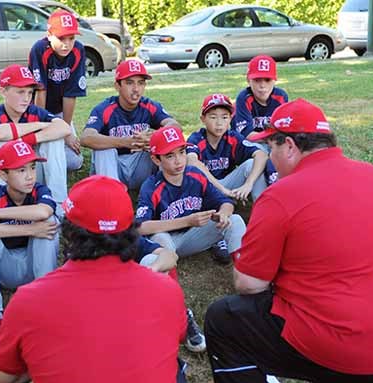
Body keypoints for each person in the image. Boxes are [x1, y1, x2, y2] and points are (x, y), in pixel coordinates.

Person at [205, 99, 373, 383]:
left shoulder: (280, 195)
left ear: (289, 146)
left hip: (346, 350)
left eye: (271, 148)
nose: (270, 158)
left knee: (224, 319)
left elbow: (249, 283)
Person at [0, 175, 188, 383]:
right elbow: (172, 339)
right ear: (131, 231)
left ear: (68, 232)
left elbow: (0, 378)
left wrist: (45, 362)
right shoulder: (167, 290)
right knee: (173, 364)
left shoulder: (29, 300)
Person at [0, 140, 60, 339]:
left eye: (33, 167)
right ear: (3, 175)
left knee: (49, 220)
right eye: (21, 170)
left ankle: (46, 303)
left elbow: (44, 210)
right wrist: (31, 229)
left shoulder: (40, 191)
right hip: (5, 268)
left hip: (35, 266)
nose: (30, 176)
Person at [136, 126, 246, 265]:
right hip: (167, 240)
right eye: (170, 155)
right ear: (157, 160)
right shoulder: (151, 186)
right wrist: (187, 221)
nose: (178, 160)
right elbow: (140, 227)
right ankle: (168, 279)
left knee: (235, 220)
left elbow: (225, 202)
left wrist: (224, 213)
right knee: (161, 238)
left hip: (193, 236)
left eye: (181, 152)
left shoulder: (195, 174)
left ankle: (243, 269)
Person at [80, 59, 181, 189]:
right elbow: (86, 138)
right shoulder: (105, 108)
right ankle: (114, 196)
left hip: (139, 166)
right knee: (103, 150)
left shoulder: (149, 106)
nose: (136, 89)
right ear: (117, 86)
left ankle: (166, 194)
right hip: (112, 168)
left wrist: (155, 137)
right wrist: (125, 142)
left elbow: (175, 126)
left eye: (140, 83)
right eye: (129, 83)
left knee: (163, 144)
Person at [0, 64, 72, 205]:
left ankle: (58, 205)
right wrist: (40, 125)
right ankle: (4, 203)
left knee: (54, 140)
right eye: (20, 92)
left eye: (30, 93)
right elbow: (0, 133)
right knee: (5, 142)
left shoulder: (33, 111)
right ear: (3, 91)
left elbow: (64, 128)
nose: (26, 98)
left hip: (30, 174)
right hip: (2, 178)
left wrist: (32, 138)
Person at [187, 93, 270, 203]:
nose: (219, 122)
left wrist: (248, 184)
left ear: (231, 119)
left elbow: (262, 155)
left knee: (251, 164)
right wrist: (223, 190)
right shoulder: (197, 138)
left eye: (224, 117)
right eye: (213, 117)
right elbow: (191, 161)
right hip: (204, 189)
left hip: (227, 184)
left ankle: (261, 207)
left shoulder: (233, 138)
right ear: (203, 119)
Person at [28, 9, 84, 171]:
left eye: (71, 38)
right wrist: (41, 126)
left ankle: (53, 151)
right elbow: (40, 91)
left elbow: (70, 94)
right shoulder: (39, 49)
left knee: (74, 162)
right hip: (36, 112)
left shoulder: (78, 50)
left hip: (59, 112)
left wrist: (65, 130)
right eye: (61, 38)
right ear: (49, 34)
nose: (67, 44)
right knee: (36, 154)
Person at [232, 55, 288, 138]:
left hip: (273, 141)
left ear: (275, 80)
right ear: (248, 80)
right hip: (249, 143)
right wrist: (272, 139)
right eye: (257, 80)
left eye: (267, 80)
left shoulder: (281, 97)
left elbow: (285, 129)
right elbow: (246, 135)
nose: (262, 85)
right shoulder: (244, 98)